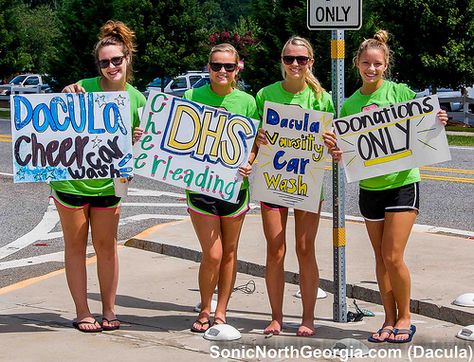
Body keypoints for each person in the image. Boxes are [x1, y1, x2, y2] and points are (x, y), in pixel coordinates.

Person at [323, 30, 448, 343]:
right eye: (366, 62)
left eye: (377, 63)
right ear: (356, 64)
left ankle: (405, 317)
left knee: (393, 256)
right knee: (379, 259)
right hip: (370, 189)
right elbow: (348, 152)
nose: (372, 68)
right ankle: (388, 319)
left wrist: (438, 120)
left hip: (403, 183)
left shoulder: (399, 93)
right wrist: (337, 151)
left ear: (386, 64)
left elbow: (423, 124)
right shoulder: (350, 105)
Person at [51, 20, 146, 333]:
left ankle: (109, 308)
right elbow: (58, 117)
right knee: (75, 248)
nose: (110, 66)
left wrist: (139, 138)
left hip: (110, 184)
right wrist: (65, 94)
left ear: (127, 59)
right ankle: (82, 311)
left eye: (116, 60)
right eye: (104, 62)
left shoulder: (137, 99)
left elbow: (145, 150)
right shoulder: (83, 88)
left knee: (107, 248)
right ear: (98, 65)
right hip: (72, 182)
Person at [255, 36, 335, 337]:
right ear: (282, 62)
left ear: (310, 62)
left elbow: (334, 143)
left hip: (306, 182)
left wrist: (331, 142)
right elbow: (247, 137)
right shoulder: (265, 95)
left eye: (301, 59)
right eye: (290, 58)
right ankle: (276, 316)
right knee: (275, 249)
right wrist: (256, 137)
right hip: (271, 181)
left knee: (305, 249)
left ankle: (308, 318)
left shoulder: (321, 99)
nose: (295, 64)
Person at [183, 43, 258, 332]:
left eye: (228, 66)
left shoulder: (248, 102)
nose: (222, 71)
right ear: (208, 67)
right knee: (212, 253)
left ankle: (222, 311)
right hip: (201, 187)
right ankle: (205, 308)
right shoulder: (191, 96)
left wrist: (250, 161)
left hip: (235, 188)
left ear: (237, 68)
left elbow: (254, 144)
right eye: (216, 66)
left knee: (229, 252)